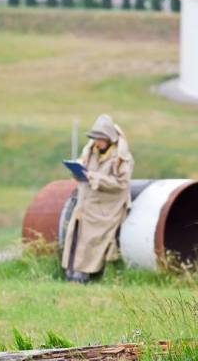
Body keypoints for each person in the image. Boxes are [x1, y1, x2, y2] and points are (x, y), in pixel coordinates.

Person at [61, 114, 134, 283]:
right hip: (86, 201)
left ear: (109, 138)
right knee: (75, 233)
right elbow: (86, 170)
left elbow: (121, 184)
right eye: (95, 138)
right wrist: (77, 171)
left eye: (100, 139)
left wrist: (95, 178)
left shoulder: (121, 158)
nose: (97, 142)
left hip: (107, 206)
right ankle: (72, 271)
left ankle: (86, 273)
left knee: (92, 237)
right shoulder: (90, 151)